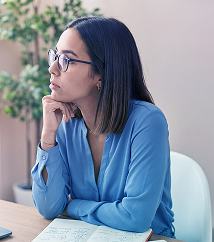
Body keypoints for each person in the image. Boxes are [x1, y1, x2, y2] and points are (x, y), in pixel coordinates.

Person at [31, 16, 175, 237]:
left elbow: (135, 218)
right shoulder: (66, 123)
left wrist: (73, 206)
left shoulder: (147, 122)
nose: (52, 68)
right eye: (55, 56)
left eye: (66, 60)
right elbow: (49, 208)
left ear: (101, 73)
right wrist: (48, 135)